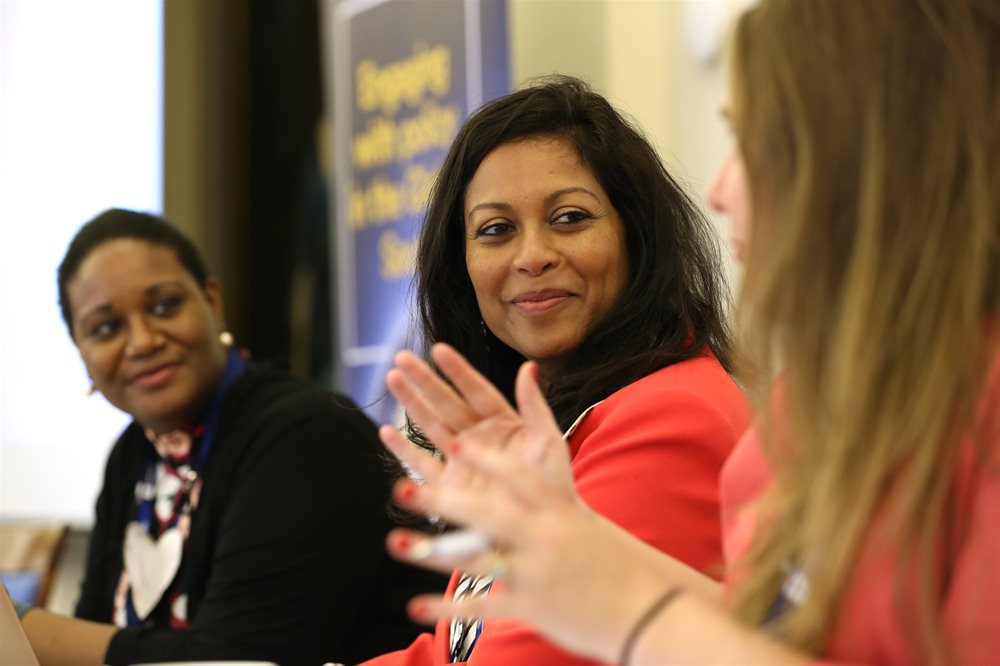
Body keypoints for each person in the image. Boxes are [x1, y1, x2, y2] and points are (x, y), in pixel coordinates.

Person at [378, 1, 1000, 665]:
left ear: (878, 162)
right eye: (495, 230)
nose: (721, 187)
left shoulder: (681, 410)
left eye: (756, 145)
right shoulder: (811, 403)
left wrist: (618, 599)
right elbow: (767, 631)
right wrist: (568, 540)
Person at [361, 76, 751, 666]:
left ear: (636, 237)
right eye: (496, 230)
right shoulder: (552, 413)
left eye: (569, 218)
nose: (532, 255)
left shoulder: (670, 414)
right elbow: (455, 650)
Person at [14, 208, 447, 666]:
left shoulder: (306, 436)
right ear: (82, 354)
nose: (141, 341)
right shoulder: (133, 452)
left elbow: (236, 660)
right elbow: (96, 623)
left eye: (164, 306)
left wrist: (23, 625)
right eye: (106, 328)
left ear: (212, 302)